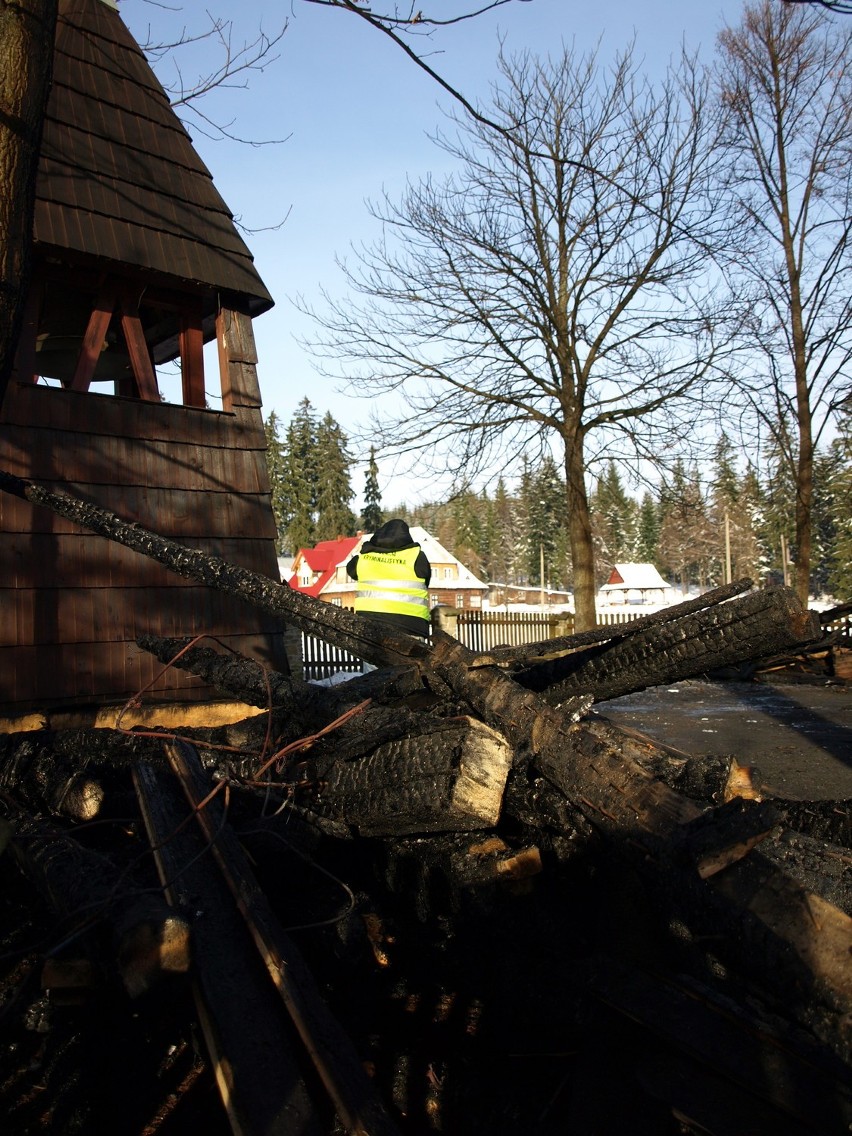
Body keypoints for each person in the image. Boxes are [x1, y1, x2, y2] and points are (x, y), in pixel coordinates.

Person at [347, 518, 432, 638]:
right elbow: (426, 580)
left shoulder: (364, 559)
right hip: (411, 625)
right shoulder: (417, 557)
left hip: (371, 622)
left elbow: (350, 570)